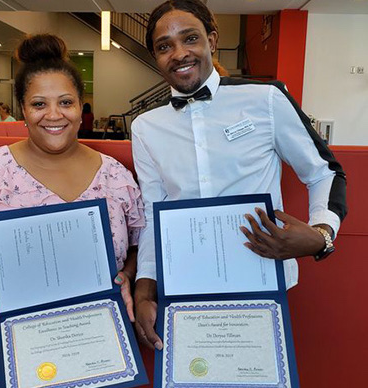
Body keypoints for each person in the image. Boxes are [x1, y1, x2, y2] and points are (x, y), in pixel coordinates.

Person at [0, 34, 144, 388]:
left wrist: (128, 274)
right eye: (39, 103)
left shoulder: (115, 176)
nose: (54, 115)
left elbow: (138, 245)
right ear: (22, 109)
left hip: (93, 344)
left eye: (66, 102)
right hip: (7, 346)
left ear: (81, 106)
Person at [131, 0, 347, 350]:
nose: (179, 53)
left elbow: (324, 172)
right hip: (186, 282)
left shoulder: (266, 100)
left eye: (190, 39)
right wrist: (145, 290)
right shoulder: (145, 127)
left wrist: (321, 234)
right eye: (164, 46)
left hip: (262, 275)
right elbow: (153, 214)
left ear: (212, 40)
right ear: (155, 56)